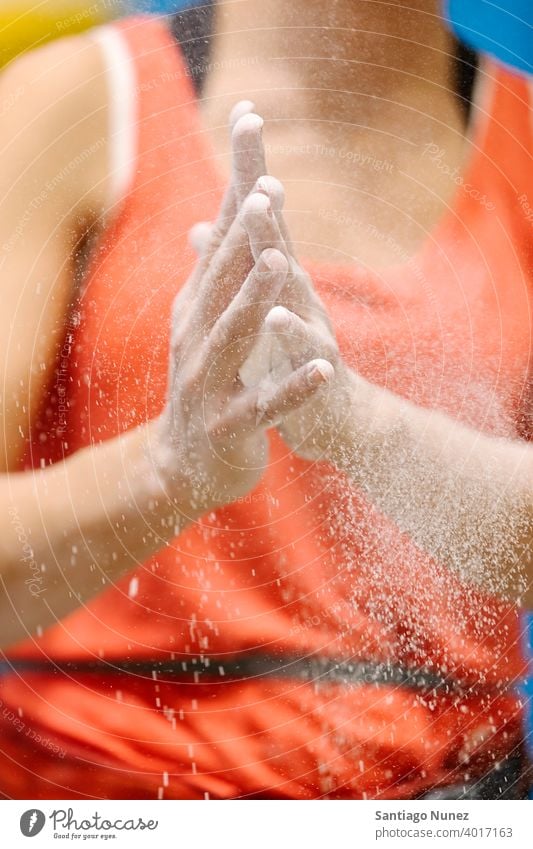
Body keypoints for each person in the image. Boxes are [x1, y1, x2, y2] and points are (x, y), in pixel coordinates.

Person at [0, 0, 531, 799]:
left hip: (446, 802)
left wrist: (370, 430)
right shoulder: (66, 105)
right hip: (94, 795)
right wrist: (165, 470)